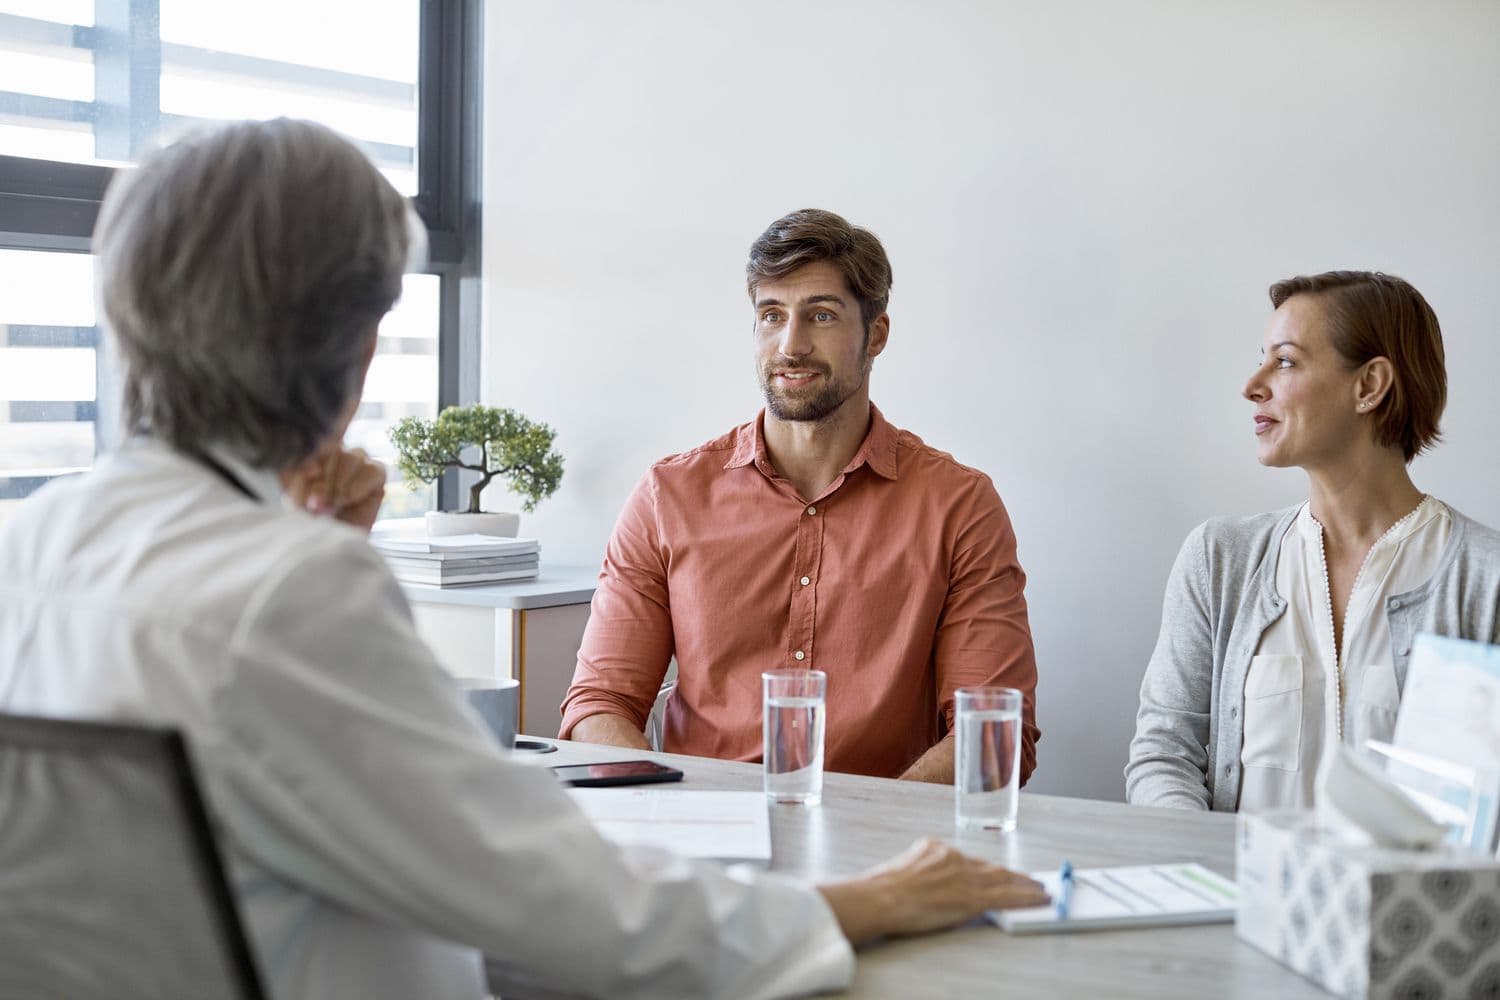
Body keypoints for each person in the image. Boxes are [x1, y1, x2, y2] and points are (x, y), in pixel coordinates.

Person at [0, 120, 1048, 1000]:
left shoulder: (26, 547)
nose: (791, 340)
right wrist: (848, 905)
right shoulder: (293, 590)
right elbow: (556, 898)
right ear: (353, 349)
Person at [560, 209, 1040, 785]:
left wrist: (868, 834)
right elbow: (598, 706)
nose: (792, 344)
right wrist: (671, 814)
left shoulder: (960, 506)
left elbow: (992, 736)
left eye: (821, 315)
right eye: (772, 315)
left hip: (889, 844)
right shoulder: (668, 497)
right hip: (704, 834)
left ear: (876, 335)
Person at [1126, 271, 1500, 812]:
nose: (1252, 384)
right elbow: (1164, 754)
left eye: (1284, 361)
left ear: (1369, 386)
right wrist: (1211, 869)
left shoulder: (1484, 580)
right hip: (1234, 894)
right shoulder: (1219, 559)